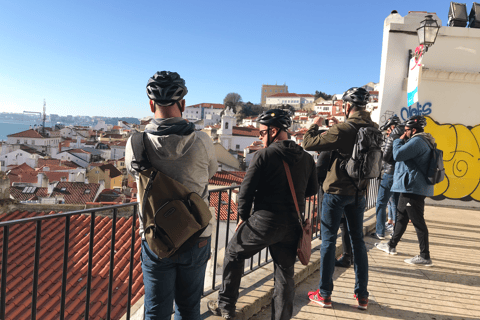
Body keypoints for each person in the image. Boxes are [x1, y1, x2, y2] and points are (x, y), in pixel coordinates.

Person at [208, 109, 318, 320]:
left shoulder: (263, 155)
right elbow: (312, 190)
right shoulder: (305, 158)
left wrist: (242, 217)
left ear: (274, 130)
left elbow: (246, 192)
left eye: (262, 132)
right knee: (284, 274)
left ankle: (226, 306)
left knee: (233, 253)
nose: (260, 137)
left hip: (265, 220)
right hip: (292, 223)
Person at [125, 71, 218, 320]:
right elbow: (210, 172)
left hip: (156, 237)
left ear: (151, 104)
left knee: (155, 311)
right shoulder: (203, 141)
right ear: (183, 104)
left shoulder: (135, 144)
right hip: (196, 233)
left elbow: (133, 177)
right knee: (189, 309)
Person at [303, 87, 377, 310]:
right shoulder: (373, 128)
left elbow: (309, 143)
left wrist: (315, 124)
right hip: (360, 192)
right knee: (358, 242)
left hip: (335, 193)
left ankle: (324, 294)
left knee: (328, 242)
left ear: (347, 106)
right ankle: (362, 296)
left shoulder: (344, 128)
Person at [375, 115, 434, 266]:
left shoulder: (417, 141)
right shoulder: (422, 140)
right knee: (401, 217)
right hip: (409, 187)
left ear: (413, 130)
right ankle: (391, 245)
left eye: (406, 130)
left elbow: (398, 155)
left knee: (418, 221)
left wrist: (397, 141)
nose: (404, 132)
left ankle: (425, 256)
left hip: (412, 188)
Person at [370, 116, 402, 240]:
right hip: (398, 174)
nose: (387, 132)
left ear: (392, 127)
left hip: (389, 173)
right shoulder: (403, 137)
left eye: (388, 130)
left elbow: (386, 157)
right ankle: (395, 231)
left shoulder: (393, 137)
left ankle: (380, 232)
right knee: (395, 203)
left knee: (380, 203)